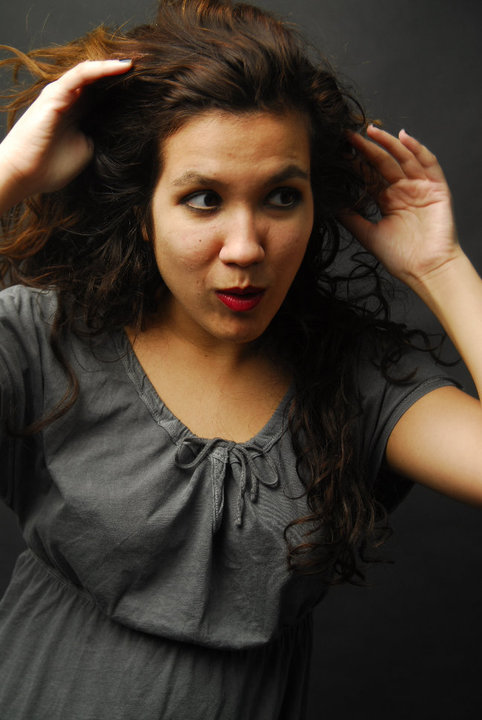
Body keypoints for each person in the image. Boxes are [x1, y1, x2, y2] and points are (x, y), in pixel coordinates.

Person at [0, 0, 480, 717]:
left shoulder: (361, 382)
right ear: (143, 211)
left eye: (282, 197)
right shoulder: (39, 341)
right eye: (203, 199)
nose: (247, 247)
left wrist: (440, 266)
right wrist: (6, 175)